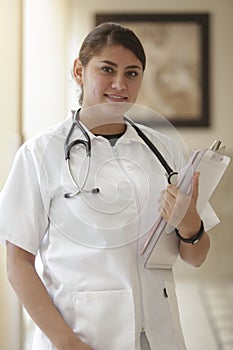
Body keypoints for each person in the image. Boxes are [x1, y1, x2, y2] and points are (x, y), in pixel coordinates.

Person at [0, 22, 217, 350]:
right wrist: (66, 341)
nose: (120, 84)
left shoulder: (165, 150)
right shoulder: (39, 153)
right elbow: (18, 262)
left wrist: (190, 226)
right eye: (107, 69)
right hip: (80, 335)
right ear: (79, 70)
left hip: (158, 335)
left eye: (132, 73)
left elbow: (196, 256)